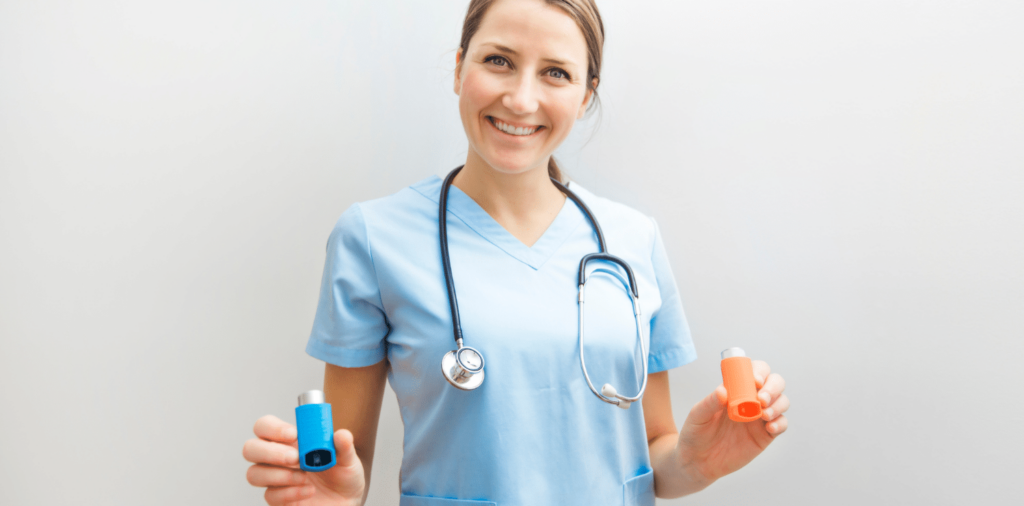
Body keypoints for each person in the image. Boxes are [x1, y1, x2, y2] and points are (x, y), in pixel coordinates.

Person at [242, 0, 790, 504]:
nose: (521, 99)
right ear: (459, 68)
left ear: (586, 92)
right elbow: (343, 463)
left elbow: (654, 456)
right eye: (499, 60)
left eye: (556, 72)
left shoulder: (632, 240)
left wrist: (697, 461)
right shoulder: (372, 237)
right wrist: (335, 496)